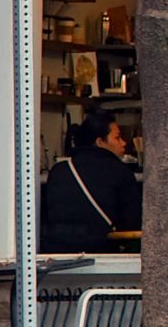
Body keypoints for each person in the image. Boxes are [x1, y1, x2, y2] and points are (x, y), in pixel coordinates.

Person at [42, 106, 143, 253]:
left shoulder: (59, 170)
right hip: (104, 250)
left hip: (58, 252)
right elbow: (132, 221)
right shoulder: (120, 171)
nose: (123, 143)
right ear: (100, 142)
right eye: (117, 137)